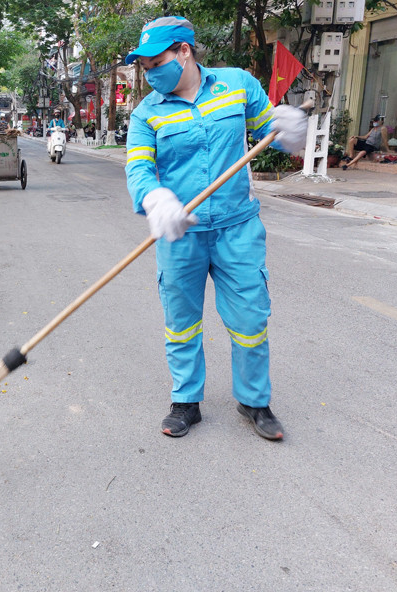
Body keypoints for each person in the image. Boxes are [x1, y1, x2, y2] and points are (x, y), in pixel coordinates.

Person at [124, 16, 308, 440]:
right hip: (179, 231)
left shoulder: (237, 84)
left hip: (236, 228)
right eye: (145, 68)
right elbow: (139, 168)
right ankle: (186, 401)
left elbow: (270, 132)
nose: (150, 74)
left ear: (183, 52)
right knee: (181, 321)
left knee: (250, 318)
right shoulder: (145, 114)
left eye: (155, 63)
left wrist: (289, 131)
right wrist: (155, 198)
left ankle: (254, 401)